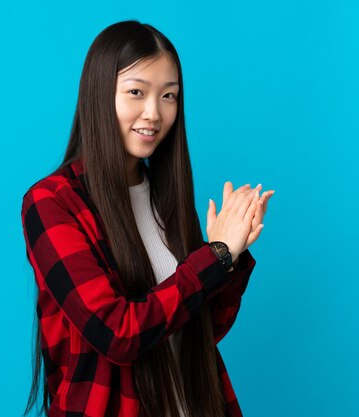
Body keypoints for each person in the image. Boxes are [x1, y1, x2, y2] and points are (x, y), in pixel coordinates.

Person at [20, 20, 274, 417]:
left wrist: (233, 253)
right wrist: (216, 255)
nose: (154, 113)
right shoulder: (52, 202)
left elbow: (201, 332)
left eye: (169, 96)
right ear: (100, 95)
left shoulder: (165, 196)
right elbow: (117, 333)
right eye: (136, 92)